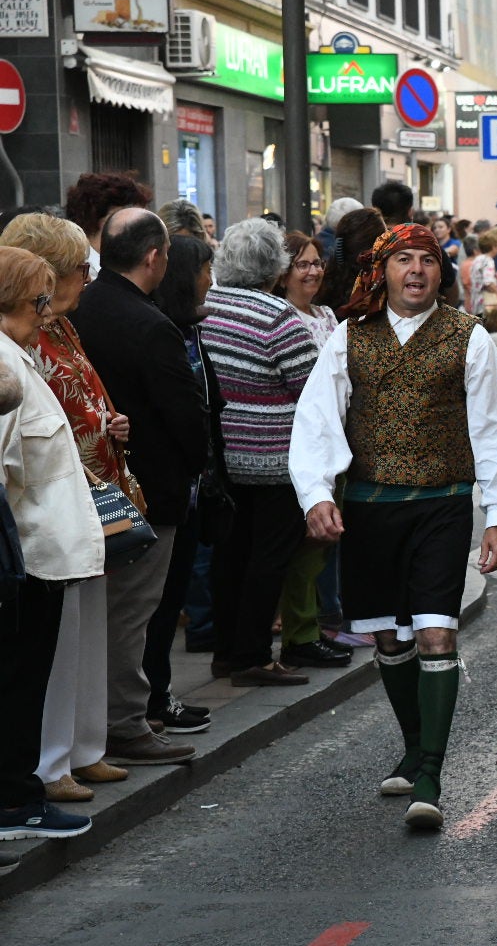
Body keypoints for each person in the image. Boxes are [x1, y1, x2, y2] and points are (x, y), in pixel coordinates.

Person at [291, 221, 497, 830]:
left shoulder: (468, 338)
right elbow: (316, 421)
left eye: (426, 260)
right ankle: (416, 744)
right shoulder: (348, 338)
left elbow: (495, 428)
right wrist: (316, 494)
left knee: (435, 633)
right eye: (404, 261)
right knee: (389, 640)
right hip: (370, 507)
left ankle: (431, 774)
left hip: (443, 503)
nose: (416, 271)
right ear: (383, 271)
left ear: (440, 272)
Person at [69, 209, 208, 765]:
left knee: (103, 614)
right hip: (147, 492)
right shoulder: (151, 325)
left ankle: (98, 724)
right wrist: (197, 466)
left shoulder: (81, 307)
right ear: (154, 258)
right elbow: (185, 418)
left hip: (88, 485)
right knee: (133, 613)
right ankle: (125, 723)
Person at [0, 249, 100, 841]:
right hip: (25, 558)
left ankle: (18, 794)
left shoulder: (20, 356)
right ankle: (15, 801)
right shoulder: (3, 365)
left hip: (41, 555)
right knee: (17, 679)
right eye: (40, 299)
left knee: (27, 678)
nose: (47, 311)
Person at [201, 219, 322, 686]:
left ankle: (226, 651)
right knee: (268, 558)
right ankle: (254, 655)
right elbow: (311, 389)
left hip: (222, 454)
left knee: (230, 554)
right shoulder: (278, 317)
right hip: (273, 456)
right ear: (276, 267)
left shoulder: (207, 304)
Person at [147, 235, 225, 728]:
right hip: (169, 488)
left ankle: (160, 693)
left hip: (194, 488)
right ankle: (154, 699)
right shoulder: (162, 331)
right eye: (204, 271)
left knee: (171, 595)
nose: (211, 281)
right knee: (157, 605)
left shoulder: (191, 328)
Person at [270, 231, 350, 670]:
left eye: (317, 263)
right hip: (295, 448)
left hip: (335, 445)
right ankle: (299, 633)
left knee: (323, 544)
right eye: (303, 264)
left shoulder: (326, 315)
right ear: (283, 273)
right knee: (305, 545)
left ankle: (313, 626)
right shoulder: (281, 317)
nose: (313, 271)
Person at [64, 171, 153, 279]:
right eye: (139, 223)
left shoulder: (132, 267)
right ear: (108, 222)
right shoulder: (77, 273)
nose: (146, 232)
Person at [464, 228, 497, 316]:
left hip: (477, 304)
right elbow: (488, 282)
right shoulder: (488, 261)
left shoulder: (477, 260)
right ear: (493, 247)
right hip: (487, 304)